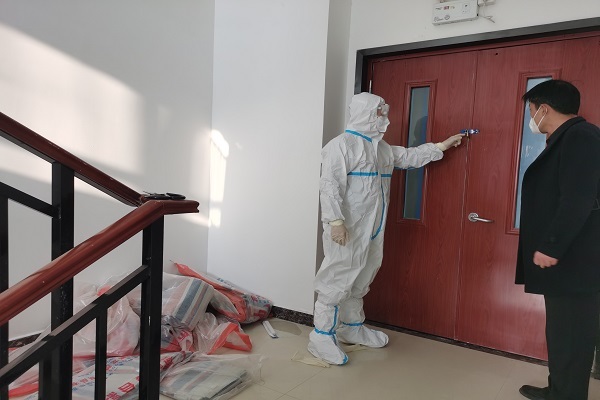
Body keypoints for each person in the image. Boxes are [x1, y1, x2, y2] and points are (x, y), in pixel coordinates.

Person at [309, 92, 464, 365]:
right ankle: (321, 336)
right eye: (380, 112)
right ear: (366, 113)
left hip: (372, 229)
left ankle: (351, 327)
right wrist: (335, 222)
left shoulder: (381, 149)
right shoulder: (341, 146)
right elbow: (329, 186)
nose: (385, 118)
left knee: (363, 275)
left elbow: (409, 156)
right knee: (337, 278)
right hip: (347, 229)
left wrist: (442, 145)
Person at [516, 80, 600, 400]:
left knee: (571, 336)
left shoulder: (581, 137)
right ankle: (559, 390)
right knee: (563, 332)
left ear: (544, 109)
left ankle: (566, 395)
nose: (531, 117)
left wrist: (552, 245)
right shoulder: (569, 137)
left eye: (531, 110)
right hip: (572, 259)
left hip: (575, 260)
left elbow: (578, 199)